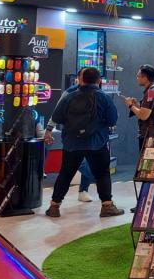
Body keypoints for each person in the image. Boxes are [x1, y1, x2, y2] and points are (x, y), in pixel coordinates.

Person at [45, 67, 124, 218]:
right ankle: (107, 206)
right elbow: (112, 120)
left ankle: (54, 206)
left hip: (72, 143)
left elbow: (57, 117)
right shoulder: (104, 97)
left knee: (66, 173)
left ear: (81, 79)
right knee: (102, 173)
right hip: (96, 142)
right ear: (99, 80)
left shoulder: (69, 96)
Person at [45, 70, 97, 202]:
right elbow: (57, 112)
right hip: (71, 136)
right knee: (76, 166)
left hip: (90, 135)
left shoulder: (97, 93)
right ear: (79, 78)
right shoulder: (69, 93)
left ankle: (83, 190)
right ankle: (56, 200)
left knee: (87, 162)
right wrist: (49, 129)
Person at [124, 64, 154, 155]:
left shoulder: (150, 92)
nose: (137, 78)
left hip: (148, 135)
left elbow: (143, 116)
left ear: (145, 78)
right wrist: (137, 105)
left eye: (138, 76)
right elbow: (148, 112)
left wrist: (130, 105)